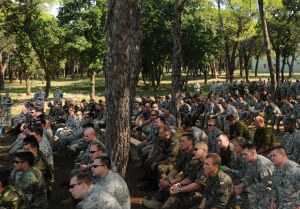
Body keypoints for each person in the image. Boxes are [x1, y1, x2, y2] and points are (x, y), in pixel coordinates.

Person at [143, 142, 208, 209]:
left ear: (203, 150)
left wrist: (180, 189)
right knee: (171, 188)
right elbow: (189, 178)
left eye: (196, 149)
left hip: (203, 194)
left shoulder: (208, 164)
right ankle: (158, 203)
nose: (193, 152)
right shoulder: (198, 162)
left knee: (176, 196)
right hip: (195, 187)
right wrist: (177, 185)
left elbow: (197, 185)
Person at [234, 144, 274, 209]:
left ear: (252, 153)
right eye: (242, 154)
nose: (243, 157)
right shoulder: (251, 161)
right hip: (259, 185)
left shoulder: (263, 165)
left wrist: (245, 189)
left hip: (271, 189)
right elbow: (249, 177)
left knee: (252, 196)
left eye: (245, 154)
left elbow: (266, 184)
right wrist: (240, 186)